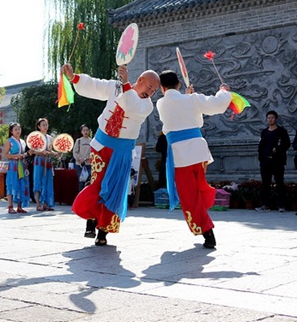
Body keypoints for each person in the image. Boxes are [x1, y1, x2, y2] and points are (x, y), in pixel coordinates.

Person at [61, 62, 159, 246]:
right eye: (149, 87)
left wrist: (127, 83)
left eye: (154, 91)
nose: (150, 92)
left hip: (122, 152)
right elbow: (95, 85)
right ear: (140, 80)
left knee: (114, 189)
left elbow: (129, 104)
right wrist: (74, 77)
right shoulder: (116, 86)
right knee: (98, 184)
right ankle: (90, 219)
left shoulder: (146, 106)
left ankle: (103, 231)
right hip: (101, 144)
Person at [156, 70, 231, 248]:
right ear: (179, 84)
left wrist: (189, 97)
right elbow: (217, 105)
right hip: (199, 151)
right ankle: (205, 210)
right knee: (198, 187)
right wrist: (223, 91)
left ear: (162, 88)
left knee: (189, 196)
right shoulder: (192, 99)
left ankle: (207, 231)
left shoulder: (161, 103)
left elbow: (176, 107)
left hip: (180, 154)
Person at [256, 110, 291, 213]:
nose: (270, 119)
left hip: (277, 161)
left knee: (279, 183)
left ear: (276, 119)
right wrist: (261, 158)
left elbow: (286, 144)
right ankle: (265, 205)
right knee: (265, 184)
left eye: (272, 118)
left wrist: (278, 149)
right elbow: (261, 146)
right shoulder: (264, 132)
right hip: (265, 162)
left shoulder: (281, 131)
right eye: (268, 118)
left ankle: (281, 205)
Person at [30, 118, 58, 211]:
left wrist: (56, 153)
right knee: (38, 181)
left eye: (46, 125)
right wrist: (42, 152)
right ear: (39, 127)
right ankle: (38, 203)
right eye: (43, 125)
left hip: (48, 161)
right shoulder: (36, 137)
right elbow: (32, 151)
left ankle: (47, 203)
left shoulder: (50, 138)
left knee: (48, 182)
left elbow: (50, 151)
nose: (45, 127)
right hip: (39, 161)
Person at [3, 123, 29, 213]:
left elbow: (23, 154)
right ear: (11, 131)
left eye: (19, 129)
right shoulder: (9, 141)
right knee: (11, 184)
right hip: (13, 165)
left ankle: (19, 206)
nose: (18, 131)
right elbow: (6, 154)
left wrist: (27, 154)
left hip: (21, 164)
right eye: (16, 129)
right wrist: (15, 156)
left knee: (22, 184)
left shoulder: (22, 141)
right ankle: (10, 206)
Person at [73, 124, 92, 191]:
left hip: (88, 164)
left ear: (89, 131)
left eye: (87, 130)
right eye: (84, 130)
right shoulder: (79, 141)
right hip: (79, 165)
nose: (85, 132)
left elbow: (92, 153)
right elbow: (75, 152)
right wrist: (79, 158)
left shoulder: (92, 141)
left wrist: (85, 158)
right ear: (81, 132)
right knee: (81, 182)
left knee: (89, 181)